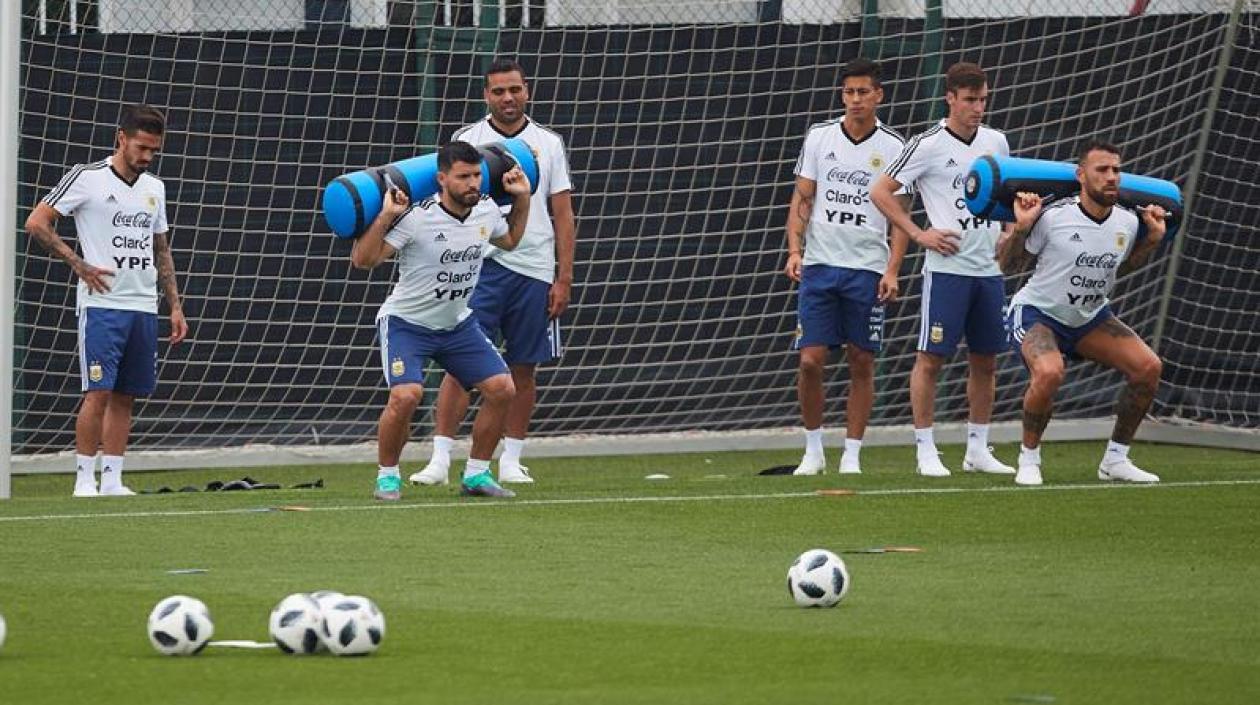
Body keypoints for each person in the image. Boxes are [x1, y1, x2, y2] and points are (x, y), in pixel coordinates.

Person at [412, 59, 575, 487]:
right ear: (486, 95)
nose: (508, 98)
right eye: (499, 91)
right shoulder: (467, 139)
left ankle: (511, 460)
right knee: (459, 366)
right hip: (477, 266)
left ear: (527, 91)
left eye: (514, 89)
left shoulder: (549, 143)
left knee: (524, 367)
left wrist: (563, 278)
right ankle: (439, 459)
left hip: (534, 269)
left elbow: (562, 212)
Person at [352, 141, 531, 500]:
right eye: (463, 177)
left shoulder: (486, 209)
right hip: (406, 324)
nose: (473, 183)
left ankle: (476, 475)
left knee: (503, 389)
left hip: (457, 325)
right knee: (406, 396)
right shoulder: (417, 217)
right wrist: (386, 216)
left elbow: (510, 240)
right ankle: (388, 477)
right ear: (442, 179)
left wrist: (523, 198)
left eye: (477, 175)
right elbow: (363, 260)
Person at [24, 104, 187, 497]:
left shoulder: (155, 188)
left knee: (126, 395)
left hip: (143, 305)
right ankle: (84, 478)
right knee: (97, 391)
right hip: (102, 306)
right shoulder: (87, 177)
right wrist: (79, 264)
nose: (147, 156)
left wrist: (175, 305)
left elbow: (161, 248)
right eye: (141, 147)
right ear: (121, 138)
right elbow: (36, 222)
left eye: (154, 150)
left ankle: (113, 479)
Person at [870, 62, 1015, 478]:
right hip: (947, 270)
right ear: (950, 98)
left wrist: (1009, 231)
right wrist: (920, 234)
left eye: (983, 99)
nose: (978, 108)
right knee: (931, 359)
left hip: (988, 271)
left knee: (986, 360)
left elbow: (1006, 192)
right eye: (970, 100)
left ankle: (978, 449)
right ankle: (925, 450)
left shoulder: (996, 142)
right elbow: (880, 191)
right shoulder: (927, 144)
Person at [998, 140, 1166, 486]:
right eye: (1102, 170)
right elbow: (1008, 266)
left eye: (1116, 170)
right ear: (1081, 175)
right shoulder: (1053, 216)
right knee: (1049, 372)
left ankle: (1115, 460)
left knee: (1148, 368)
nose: (1111, 177)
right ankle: (1029, 459)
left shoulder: (1127, 221)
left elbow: (1122, 267)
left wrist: (1151, 239)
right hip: (1038, 313)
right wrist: (1023, 226)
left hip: (1090, 317)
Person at [784, 58, 911, 475]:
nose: (855, 99)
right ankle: (813, 450)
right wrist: (795, 250)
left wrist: (892, 270)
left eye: (863, 92)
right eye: (849, 92)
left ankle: (852, 453)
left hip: (867, 269)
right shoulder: (820, 137)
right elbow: (803, 197)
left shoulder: (894, 147)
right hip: (820, 265)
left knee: (861, 359)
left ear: (879, 95)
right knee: (810, 360)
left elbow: (901, 217)